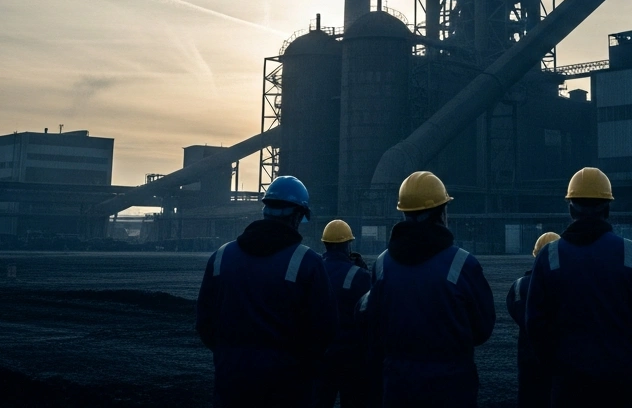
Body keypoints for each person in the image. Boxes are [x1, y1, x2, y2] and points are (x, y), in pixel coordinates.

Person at [525, 167, 632, 407]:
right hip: (626, 386)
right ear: (608, 208)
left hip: (570, 387)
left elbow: (535, 326)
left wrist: (559, 370)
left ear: (570, 209)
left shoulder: (549, 258)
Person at [195, 175, 336, 408]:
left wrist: (230, 355)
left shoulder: (221, 257)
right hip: (287, 385)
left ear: (266, 210)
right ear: (298, 216)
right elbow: (325, 329)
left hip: (232, 380)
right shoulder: (307, 262)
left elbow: (204, 322)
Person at [362, 170, 494, 407]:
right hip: (451, 386)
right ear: (442, 212)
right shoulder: (462, 263)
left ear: (403, 213)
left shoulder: (382, 264)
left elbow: (373, 325)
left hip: (398, 385)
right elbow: (482, 329)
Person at [314, 219, 373, 408]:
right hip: (351, 357)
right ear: (348, 245)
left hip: (320, 354)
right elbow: (369, 312)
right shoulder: (359, 275)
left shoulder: (313, 270)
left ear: (325, 244)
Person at [507, 231, 561, 408]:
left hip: (528, 357)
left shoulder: (519, 285)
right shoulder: (567, 283)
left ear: (535, 253)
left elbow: (516, 313)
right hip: (560, 357)